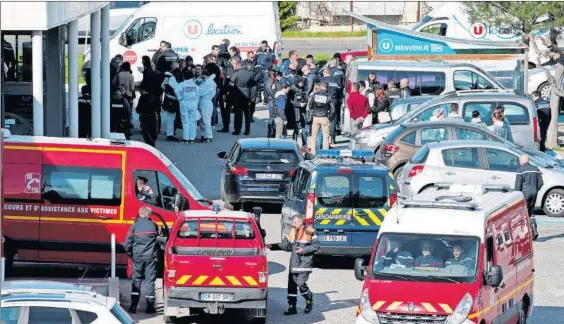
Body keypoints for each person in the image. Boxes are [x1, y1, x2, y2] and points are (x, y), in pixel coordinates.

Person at [266, 214, 319, 315]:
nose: (293, 223)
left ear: (301, 221)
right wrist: (272, 246)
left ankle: (309, 298)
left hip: (305, 263)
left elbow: (316, 246)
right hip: (294, 263)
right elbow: (286, 246)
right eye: (293, 221)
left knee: (300, 283)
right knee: (291, 286)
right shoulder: (292, 231)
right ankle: (292, 307)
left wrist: (304, 250)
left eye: (295, 221)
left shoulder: (310, 231)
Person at [124, 207, 160, 314]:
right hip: (150, 258)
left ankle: (133, 306)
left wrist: (130, 253)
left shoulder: (134, 226)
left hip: (137, 257)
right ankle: (150, 307)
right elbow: (158, 240)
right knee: (150, 281)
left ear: (140, 214)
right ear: (149, 215)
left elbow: (127, 244)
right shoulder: (154, 226)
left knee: (136, 280)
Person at [168, 70, 200, 143]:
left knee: (185, 121)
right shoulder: (195, 86)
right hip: (193, 103)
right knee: (192, 121)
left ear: (184, 77)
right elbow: (198, 95)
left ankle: (186, 138)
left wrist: (179, 98)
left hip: (184, 103)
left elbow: (176, 90)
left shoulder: (182, 84)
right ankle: (192, 138)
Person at [515, 154, 543, 241]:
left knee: (523, 212)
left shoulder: (520, 170)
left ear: (521, 161)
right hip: (534, 192)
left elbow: (518, 185)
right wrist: (535, 189)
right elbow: (541, 182)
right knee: (531, 211)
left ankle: (524, 233)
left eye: (520, 161)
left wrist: (517, 195)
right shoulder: (536, 168)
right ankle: (534, 230)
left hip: (524, 193)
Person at [137, 56, 163, 147]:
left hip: (147, 107)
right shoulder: (157, 74)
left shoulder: (147, 74)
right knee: (153, 123)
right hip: (154, 105)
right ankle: (153, 139)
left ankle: (150, 140)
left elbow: (138, 109)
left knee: (147, 127)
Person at [230, 60, 256, 135]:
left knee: (238, 113)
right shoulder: (250, 74)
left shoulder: (236, 74)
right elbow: (253, 83)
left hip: (238, 94)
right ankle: (247, 130)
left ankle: (237, 130)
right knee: (247, 113)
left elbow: (231, 84)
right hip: (247, 93)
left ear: (238, 66)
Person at [308, 81, 334, 153]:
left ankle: (313, 152)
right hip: (324, 117)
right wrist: (330, 117)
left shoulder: (314, 94)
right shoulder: (328, 96)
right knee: (326, 137)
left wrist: (314, 110)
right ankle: (325, 153)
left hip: (315, 117)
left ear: (320, 86)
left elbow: (310, 105)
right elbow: (333, 109)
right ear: (326, 87)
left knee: (313, 136)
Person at [161, 63, 182, 141]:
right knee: (171, 117)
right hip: (172, 99)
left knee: (170, 117)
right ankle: (170, 134)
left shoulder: (167, 77)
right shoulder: (172, 78)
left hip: (167, 98)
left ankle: (169, 132)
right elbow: (177, 88)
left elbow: (162, 86)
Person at [321, 68, 340, 144]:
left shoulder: (322, 81)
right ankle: (332, 138)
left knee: (323, 119)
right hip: (334, 101)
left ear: (324, 73)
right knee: (333, 120)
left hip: (324, 101)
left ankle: (323, 139)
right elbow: (338, 93)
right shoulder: (335, 81)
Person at [197, 69, 217, 143]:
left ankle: (209, 136)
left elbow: (201, 92)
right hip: (205, 102)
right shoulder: (209, 82)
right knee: (202, 121)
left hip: (205, 102)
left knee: (206, 120)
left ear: (204, 75)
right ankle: (203, 136)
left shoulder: (208, 83)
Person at [292, 78, 308, 146]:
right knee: (296, 130)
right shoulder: (292, 90)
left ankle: (304, 145)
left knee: (305, 129)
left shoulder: (304, 89)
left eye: (302, 83)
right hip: (296, 111)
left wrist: (305, 102)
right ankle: (294, 144)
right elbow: (291, 101)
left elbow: (306, 98)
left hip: (303, 111)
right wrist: (299, 104)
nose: (301, 84)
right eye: (300, 83)